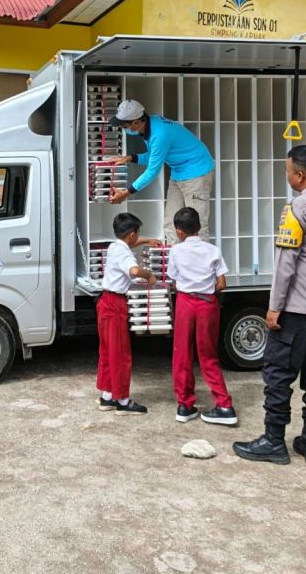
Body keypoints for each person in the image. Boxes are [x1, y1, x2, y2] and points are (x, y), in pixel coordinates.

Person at [233, 144, 306, 467]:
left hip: (298, 308)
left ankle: (273, 441)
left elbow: (286, 262)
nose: (287, 176)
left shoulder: (298, 208)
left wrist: (274, 306)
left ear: (299, 175)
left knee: (278, 374)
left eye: (287, 171)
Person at [105, 99, 215, 244]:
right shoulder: (149, 125)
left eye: (124, 125)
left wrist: (126, 193)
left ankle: (201, 259)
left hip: (197, 173)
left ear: (136, 123)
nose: (122, 128)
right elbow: (155, 155)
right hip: (178, 173)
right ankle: (173, 256)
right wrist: (130, 158)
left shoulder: (159, 133)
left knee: (196, 226)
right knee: (171, 222)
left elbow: (152, 171)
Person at [166, 207, 236, 426]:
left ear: (179, 231)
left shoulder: (176, 251)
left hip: (185, 303)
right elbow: (222, 284)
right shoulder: (213, 250)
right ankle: (224, 405)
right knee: (208, 355)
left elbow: (174, 282)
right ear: (199, 227)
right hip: (208, 303)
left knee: (182, 354)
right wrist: (206, 291)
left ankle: (185, 405)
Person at [96, 212, 159, 415]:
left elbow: (129, 244)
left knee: (108, 352)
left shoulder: (115, 246)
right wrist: (149, 275)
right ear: (132, 234)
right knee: (121, 354)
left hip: (105, 301)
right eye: (137, 234)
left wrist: (147, 240)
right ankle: (122, 401)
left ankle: (107, 396)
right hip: (115, 304)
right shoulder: (125, 254)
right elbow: (133, 271)